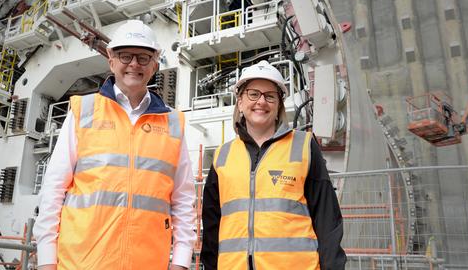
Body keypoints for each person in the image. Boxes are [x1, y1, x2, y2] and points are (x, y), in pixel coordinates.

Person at [34, 20, 196, 270]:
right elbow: (53, 189)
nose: (134, 64)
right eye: (125, 56)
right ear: (111, 60)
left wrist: (181, 262)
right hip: (81, 264)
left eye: (143, 57)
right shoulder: (83, 112)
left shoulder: (173, 123)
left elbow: (183, 199)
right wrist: (46, 260)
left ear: (155, 64)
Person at [200, 60, 346, 270]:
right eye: (253, 94)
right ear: (240, 102)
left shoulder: (304, 146)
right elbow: (212, 224)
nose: (261, 101)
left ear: (278, 106)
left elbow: (327, 218)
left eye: (270, 96)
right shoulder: (223, 155)